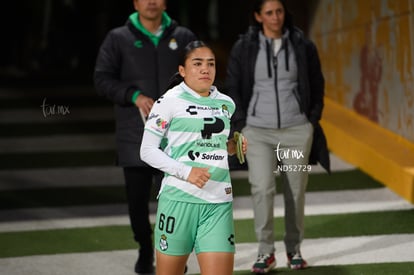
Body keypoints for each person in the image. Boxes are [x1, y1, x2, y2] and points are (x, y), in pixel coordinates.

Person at [225, 0, 330, 273]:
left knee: (295, 191)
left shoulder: (301, 45)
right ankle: (265, 252)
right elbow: (233, 86)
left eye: (279, 11)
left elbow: (317, 84)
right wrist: (242, 125)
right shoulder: (244, 47)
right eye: (269, 13)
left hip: (296, 130)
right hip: (258, 131)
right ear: (258, 16)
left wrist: (311, 120)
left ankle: (294, 249)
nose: (275, 17)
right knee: (262, 188)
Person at [93, 0, 196, 273]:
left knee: (175, 201)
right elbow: (102, 78)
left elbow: (200, 74)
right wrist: (133, 96)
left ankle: (173, 255)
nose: (152, 2)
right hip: (134, 135)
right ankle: (145, 248)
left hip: (176, 139)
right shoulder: (118, 38)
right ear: (136, 2)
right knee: (137, 201)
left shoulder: (183, 37)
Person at [140, 40, 247, 275]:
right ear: (182, 70)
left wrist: (232, 145)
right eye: (197, 63)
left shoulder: (226, 103)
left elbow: (213, 143)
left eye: (211, 64)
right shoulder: (168, 102)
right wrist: (187, 172)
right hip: (178, 201)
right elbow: (147, 151)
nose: (205, 69)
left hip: (218, 202)